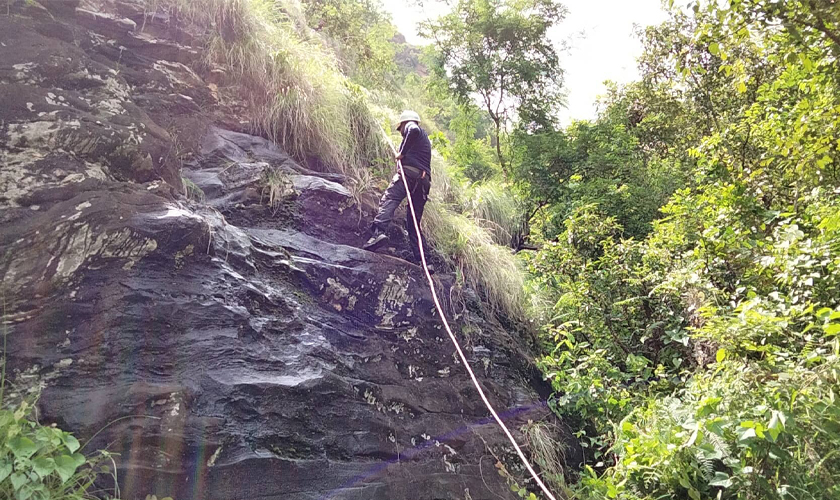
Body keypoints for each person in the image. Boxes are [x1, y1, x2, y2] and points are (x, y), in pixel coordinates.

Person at [363, 110, 432, 268]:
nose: (401, 132)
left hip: (407, 176)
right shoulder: (424, 140)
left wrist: (402, 153)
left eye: (400, 129)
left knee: (390, 199)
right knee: (413, 222)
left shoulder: (412, 126)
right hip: (423, 182)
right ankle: (424, 260)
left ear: (403, 123)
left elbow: (412, 129)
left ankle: (378, 233)